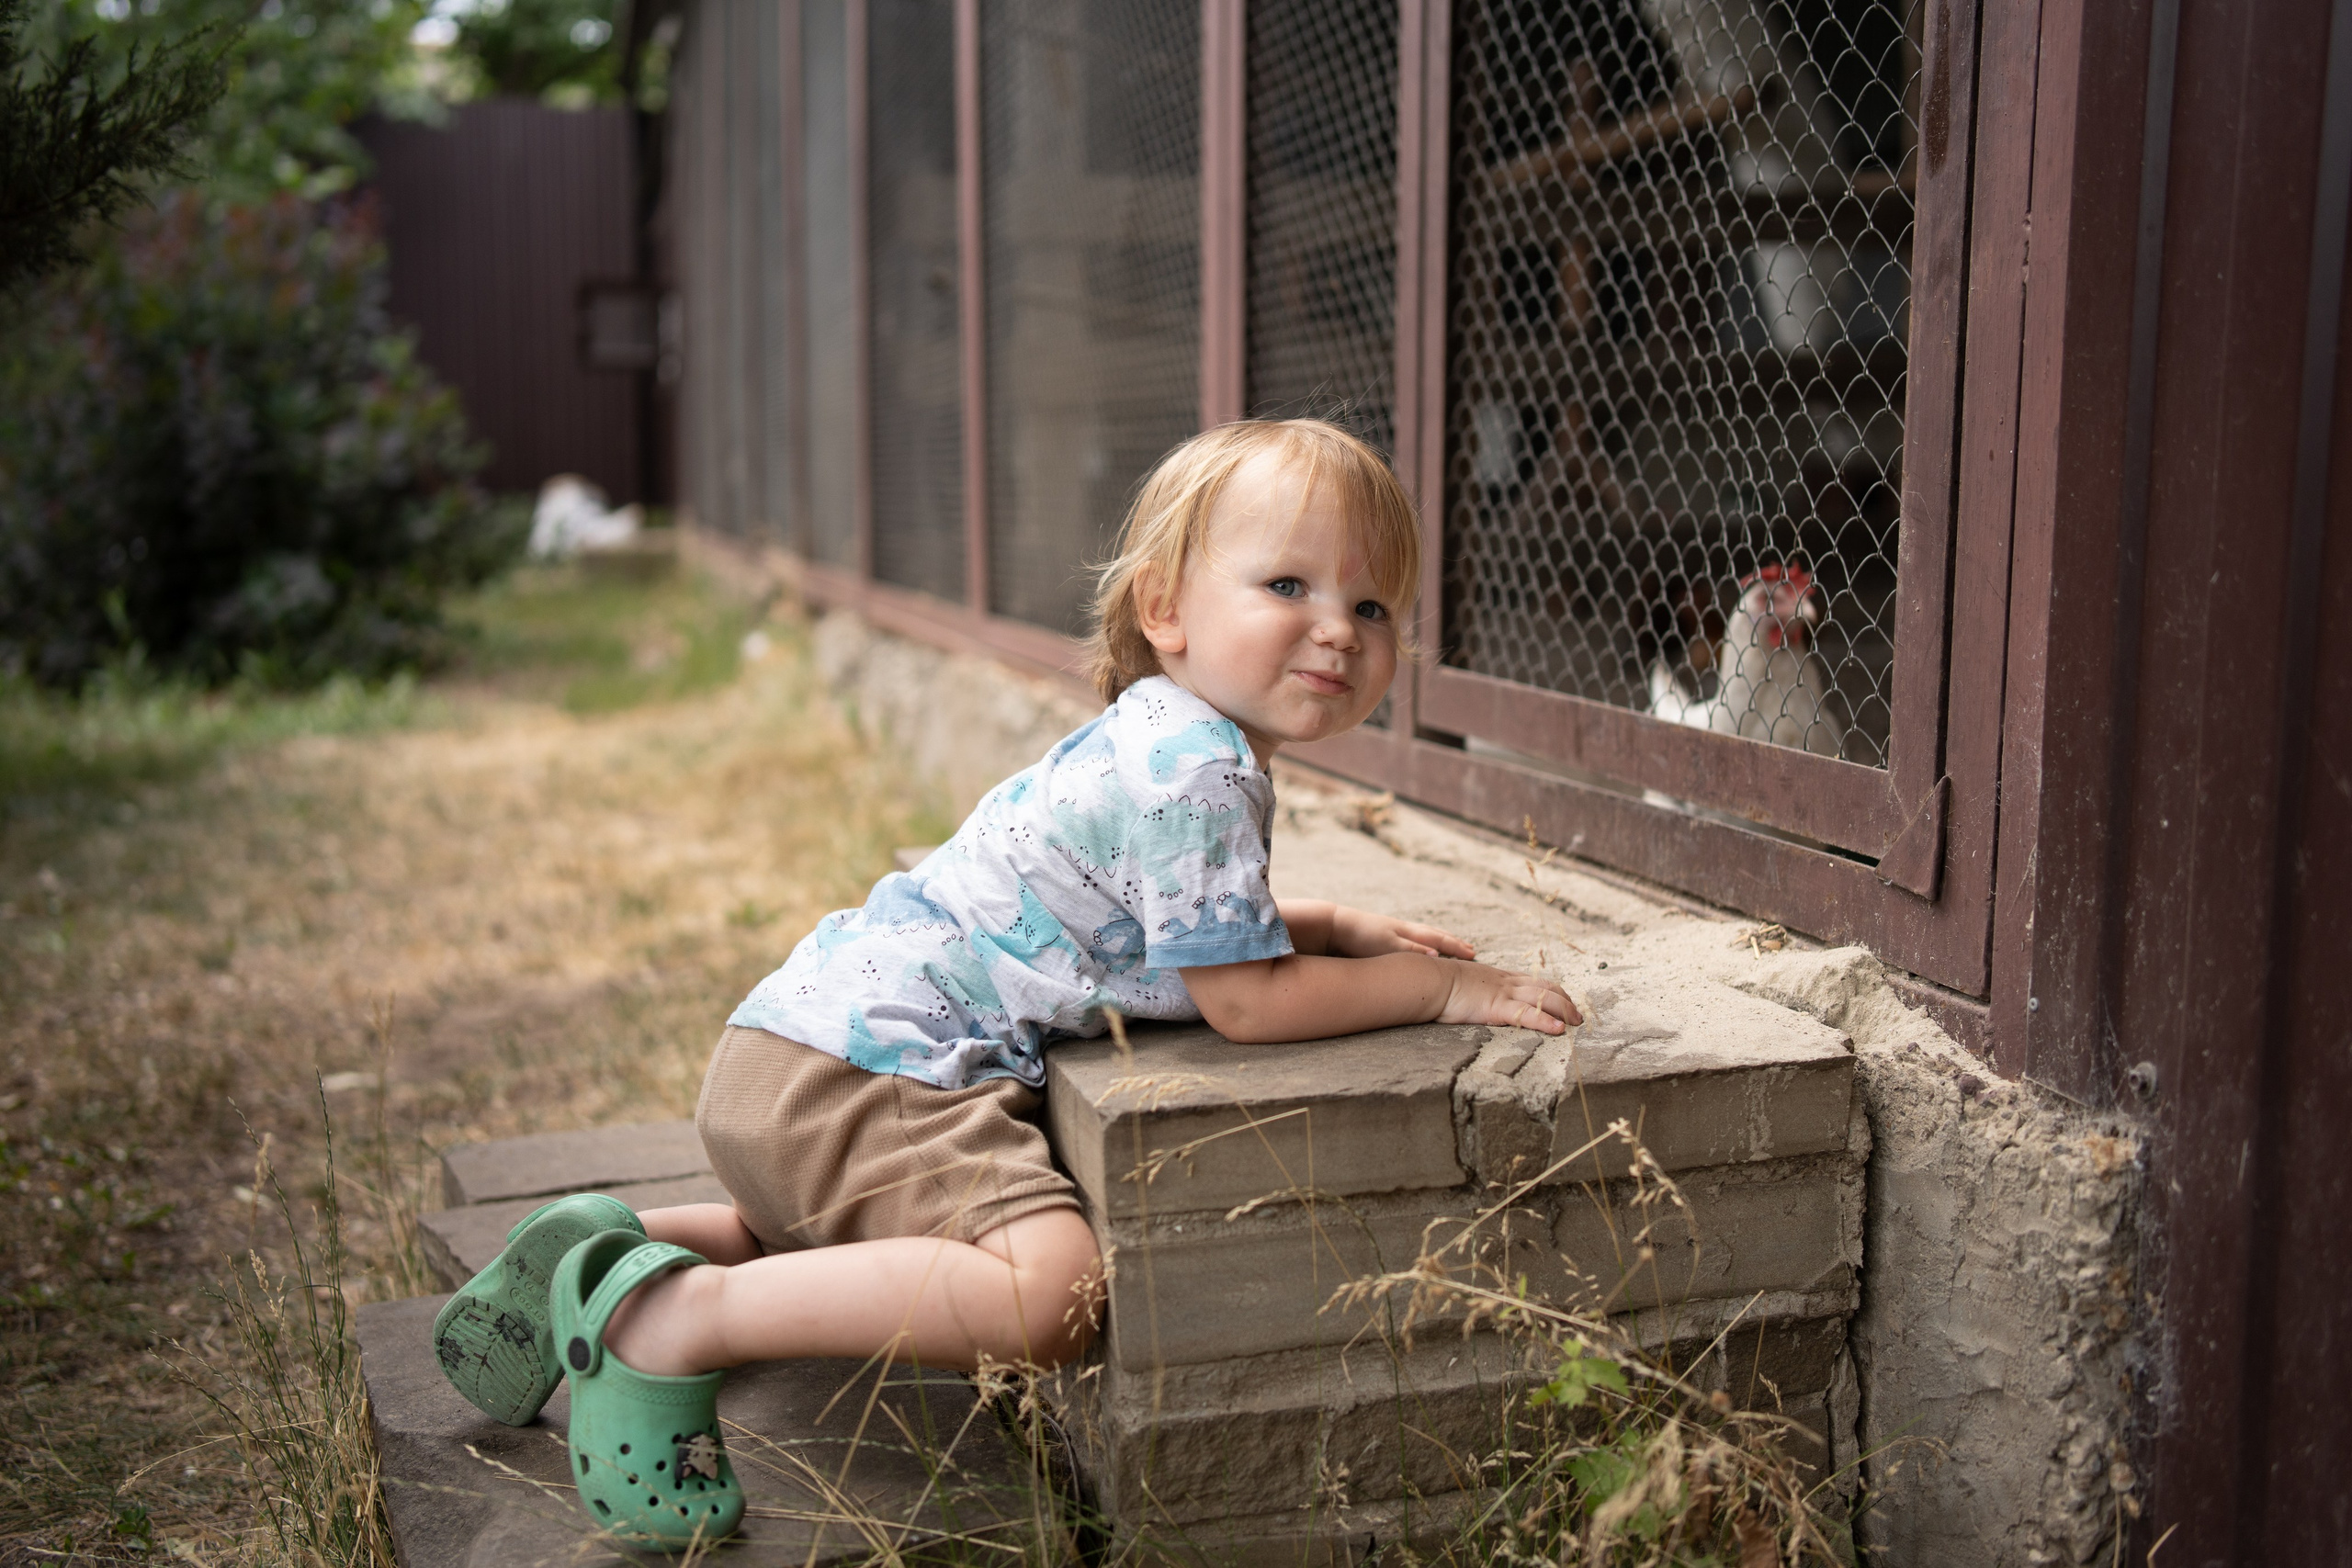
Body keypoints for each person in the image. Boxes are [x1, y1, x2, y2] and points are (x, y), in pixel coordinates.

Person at [427, 419, 1581, 1548]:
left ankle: (604, 1249)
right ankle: (671, 1320)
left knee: (861, 1240)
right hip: (868, 1077)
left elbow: (1152, 923)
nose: (1336, 629)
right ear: (1164, 608)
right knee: (1050, 1296)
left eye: (1371, 607)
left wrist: (1321, 923)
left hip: (793, 1053)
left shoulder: (1154, 732)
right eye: (1287, 585)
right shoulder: (1200, 774)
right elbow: (1247, 1003)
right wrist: (1438, 996)